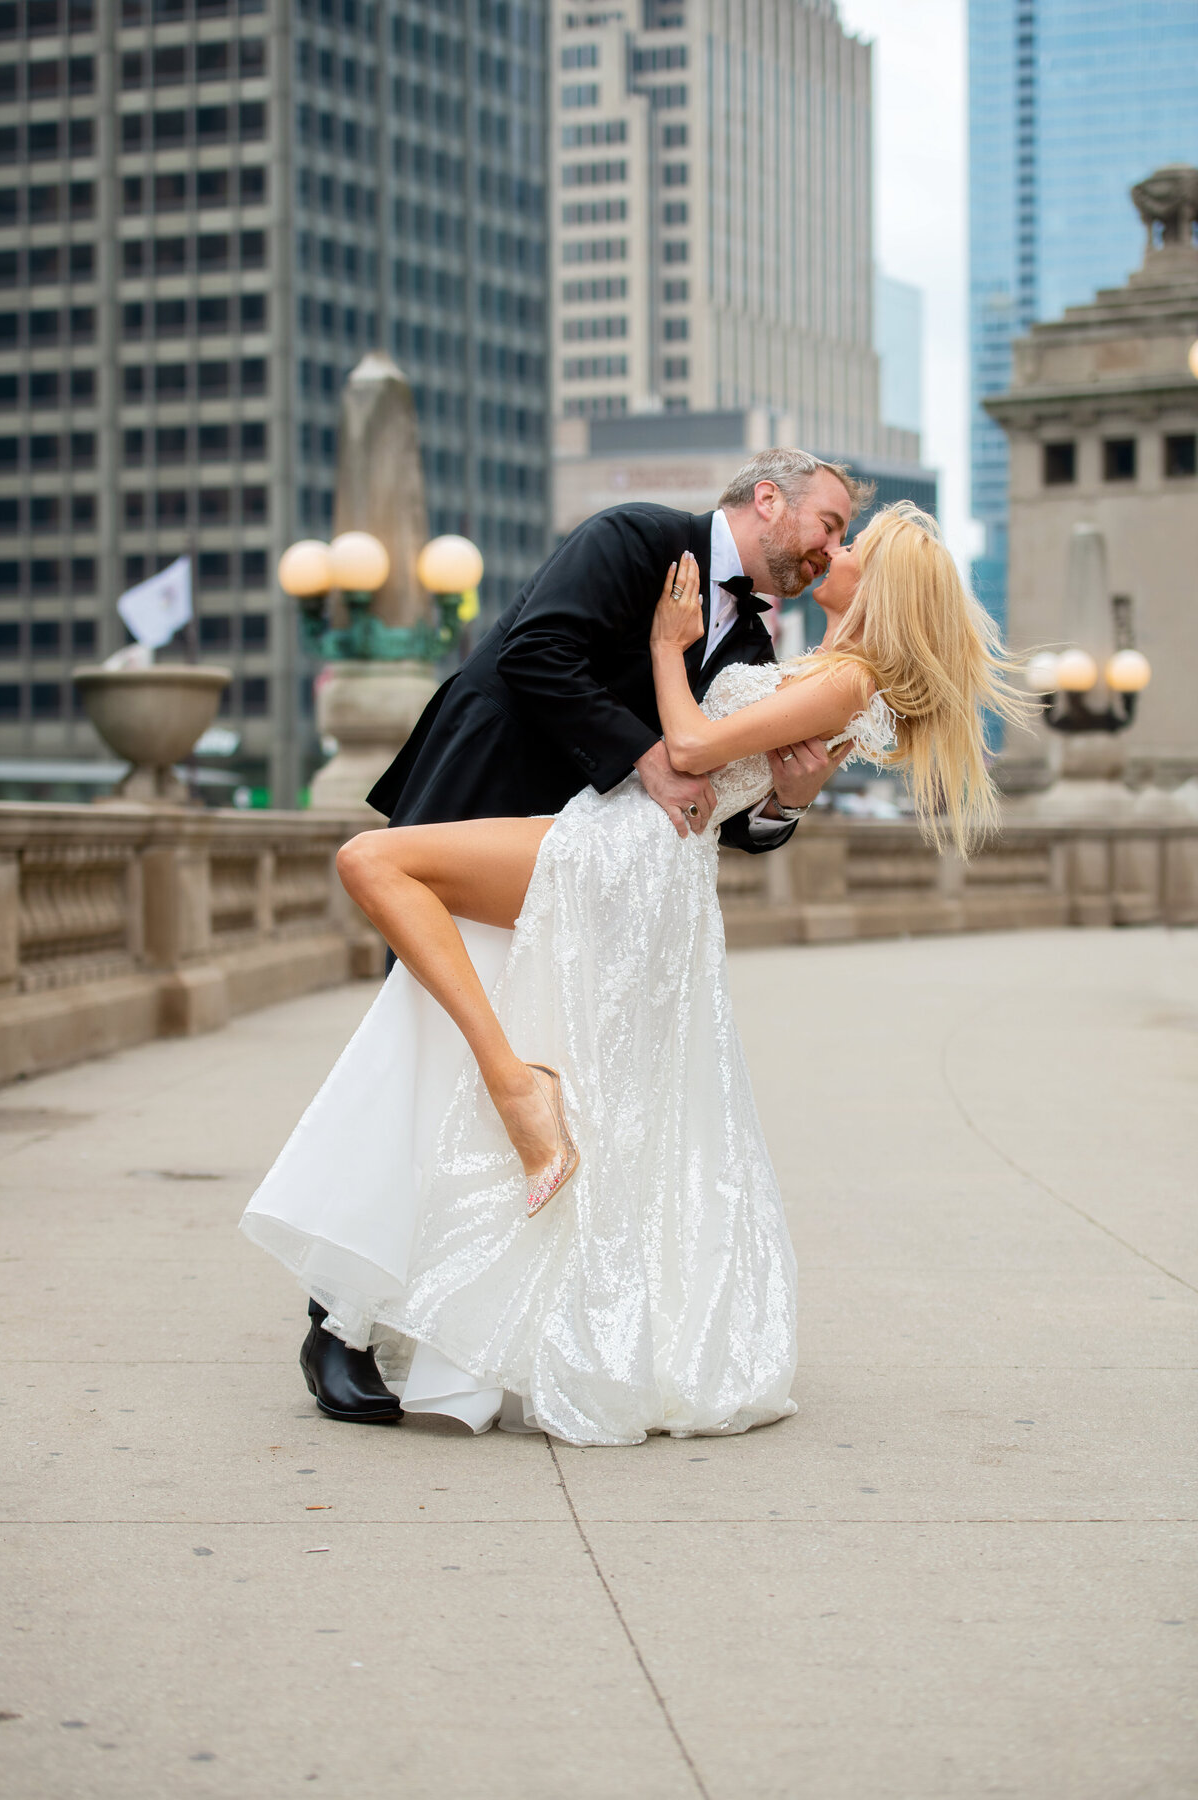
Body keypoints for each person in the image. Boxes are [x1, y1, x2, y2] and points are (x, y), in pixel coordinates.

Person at [241, 497, 1027, 1446]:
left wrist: (728, 728)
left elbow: (708, 768)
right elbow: (539, 656)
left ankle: (481, 1155)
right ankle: (382, 1319)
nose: (835, 547)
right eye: (831, 524)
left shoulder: (806, 664)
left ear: (885, 583)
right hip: (541, 816)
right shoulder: (651, 550)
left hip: (620, 861)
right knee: (446, 1065)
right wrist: (724, 751)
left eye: (851, 541)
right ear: (766, 500)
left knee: (402, 924)